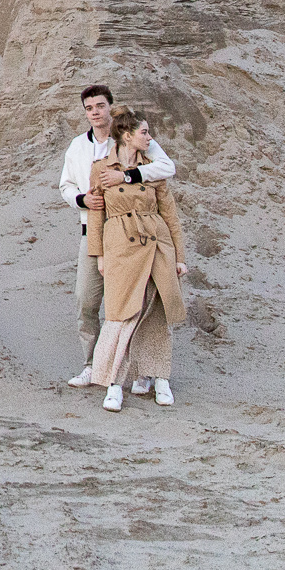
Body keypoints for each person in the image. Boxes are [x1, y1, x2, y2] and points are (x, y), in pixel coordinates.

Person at [58, 84, 174, 389]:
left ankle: (136, 370)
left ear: (111, 107)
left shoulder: (131, 136)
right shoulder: (78, 147)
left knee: (132, 302)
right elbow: (66, 186)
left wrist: (128, 176)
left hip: (134, 232)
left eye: (100, 106)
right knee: (87, 299)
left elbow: (166, 167)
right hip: (94, 231)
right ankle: (92, 365)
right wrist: (82, 200)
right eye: (89, 108)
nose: (95, 112)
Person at [84, 108, 188, 410]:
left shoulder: (153, 168)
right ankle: (114, 383)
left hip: (156, 242)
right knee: (120, 312)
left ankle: (160, 378)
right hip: (121, 244)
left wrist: (179, 256)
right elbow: (96, 214)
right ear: (127, 135)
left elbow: (170, 214)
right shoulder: (100, 168)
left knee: (156, 311)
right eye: (144, 132)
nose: (150, 137)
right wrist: (99, 254)